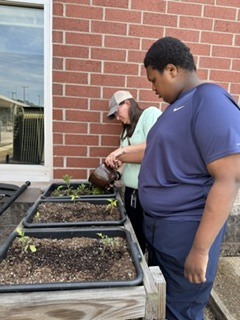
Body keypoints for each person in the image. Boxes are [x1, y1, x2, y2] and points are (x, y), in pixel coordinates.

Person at [134, 36, 240, 320]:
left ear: (171, 70)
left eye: (154, 80)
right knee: (166, 305)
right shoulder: (176, 108)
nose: (153, 89)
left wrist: (200, 249)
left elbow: (228, 179)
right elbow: (155, 150)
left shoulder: (210, 100)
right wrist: (122, 153)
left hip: (186, 233)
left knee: (182, 310)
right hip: (162, 231)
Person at [105, 90, 162, 255]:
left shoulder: (149, 115)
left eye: (117, 112)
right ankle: (140, 268)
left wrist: (122, 150)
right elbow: (126, 162)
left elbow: (154, 146)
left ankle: (154, 272)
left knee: (152, 240)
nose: (117, 118)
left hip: (150, 193)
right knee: (136, 236)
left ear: (127, 103)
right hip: (131, 194)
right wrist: (116, 174)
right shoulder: (125, 130)